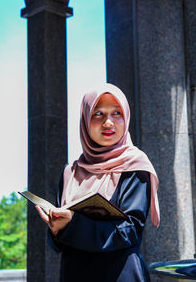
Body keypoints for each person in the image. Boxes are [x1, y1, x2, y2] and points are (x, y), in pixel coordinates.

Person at [36, 83, 160, 282]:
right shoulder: (71, 172)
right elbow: (59, 244)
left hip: (120, 275)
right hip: (74, 274)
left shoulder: (135, 165)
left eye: (116, 113)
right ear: (85, 119)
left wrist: (73, 223)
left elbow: (130, 231)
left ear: (126, 117)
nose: (108, 122)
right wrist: (56, 229)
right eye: (98, 114)